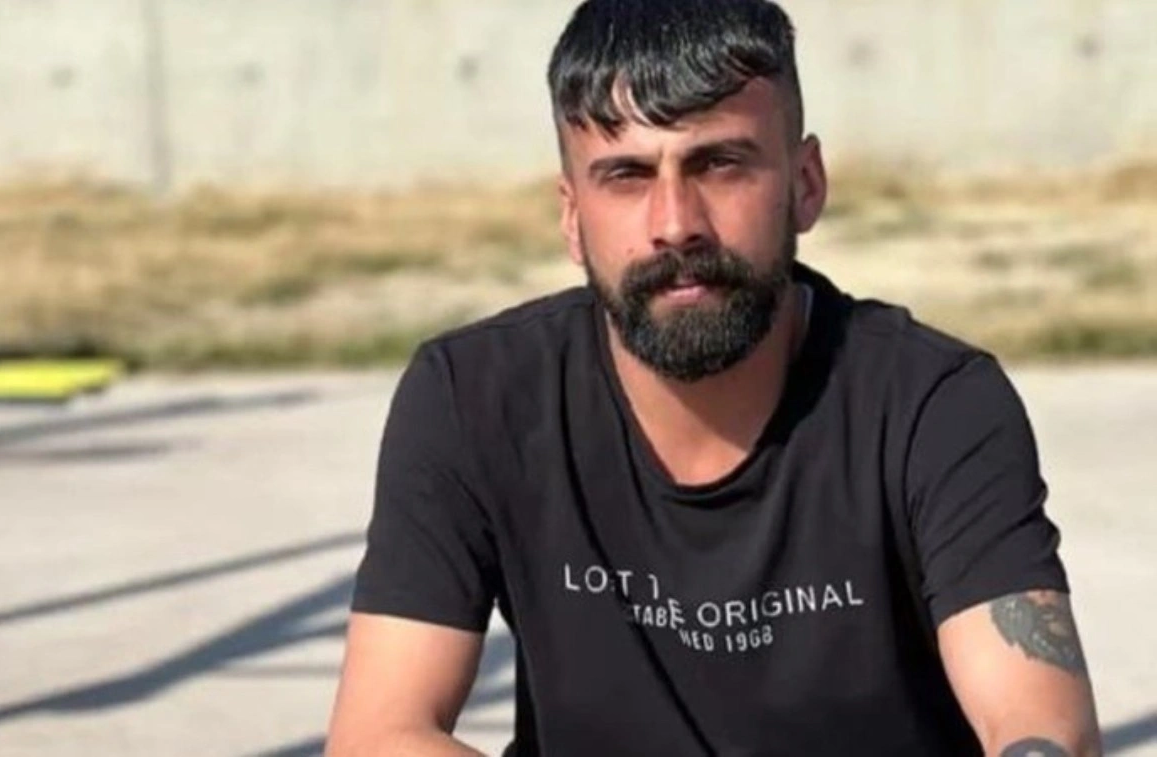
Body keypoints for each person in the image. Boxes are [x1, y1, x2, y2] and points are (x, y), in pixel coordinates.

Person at [326, 0, 1102, 754]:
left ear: (805, 183)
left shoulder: (933, 403)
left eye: (720, 164)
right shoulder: (473, 398)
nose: (676, 223)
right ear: (571, 215)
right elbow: (377, 735)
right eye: (626, 175)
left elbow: (1041, 727)